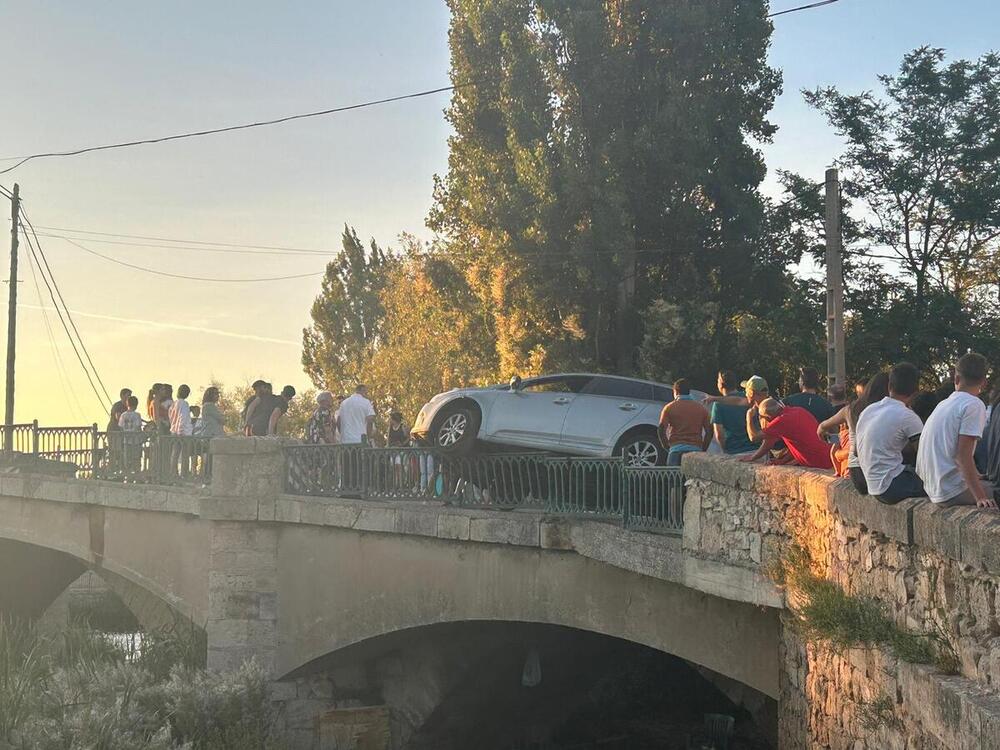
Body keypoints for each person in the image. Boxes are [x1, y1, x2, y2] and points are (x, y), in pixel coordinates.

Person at [917, 353, 997, 509]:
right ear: (984, 382)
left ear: (956, 378)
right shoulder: (974, 405)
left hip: (933, 487)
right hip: (951, 491)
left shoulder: (943, 405)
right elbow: (963, 455)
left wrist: (976, 475)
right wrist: (980, 497)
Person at [854, 363, 925, 504]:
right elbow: (925, 456)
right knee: (943, 485)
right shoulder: (908, 416)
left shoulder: (869, 410)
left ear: (889, 386)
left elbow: (857, 451)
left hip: (872, 484)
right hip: (891, 485)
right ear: (916, 391)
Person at [740, 398, 832, 469]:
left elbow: (754, 437)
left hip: (820, 464)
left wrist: (749, 418)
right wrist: (783, 461)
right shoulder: (798, 410)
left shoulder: (781, 421)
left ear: (767, 418)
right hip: (829, 457)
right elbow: (799, 444)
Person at [658, 378, 712, 466]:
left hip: (675, 450)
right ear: (689, 391)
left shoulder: (669, 408)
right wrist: (703, 449)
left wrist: (667, 447)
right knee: (694, 479)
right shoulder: (701, 409)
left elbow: (661, 429)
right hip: (695, 450)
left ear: (675, 392)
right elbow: (709, 432)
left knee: (675, 479)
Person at [709, 371, 754, 455]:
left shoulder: (718, 404)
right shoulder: (748, 398)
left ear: (721, 384)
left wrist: (724, 450)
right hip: (756, 449)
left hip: (734, 450)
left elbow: (719, 434)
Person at [117, 395, 144, 475]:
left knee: (127, 459)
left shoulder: (123, 415)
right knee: (136, 459)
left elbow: (121, 428)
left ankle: (128, 475)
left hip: (126, 441)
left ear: (127, 404)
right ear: (136, 405)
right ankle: (136, 475)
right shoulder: (137, 415)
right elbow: (138, 427)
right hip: (136, 442)